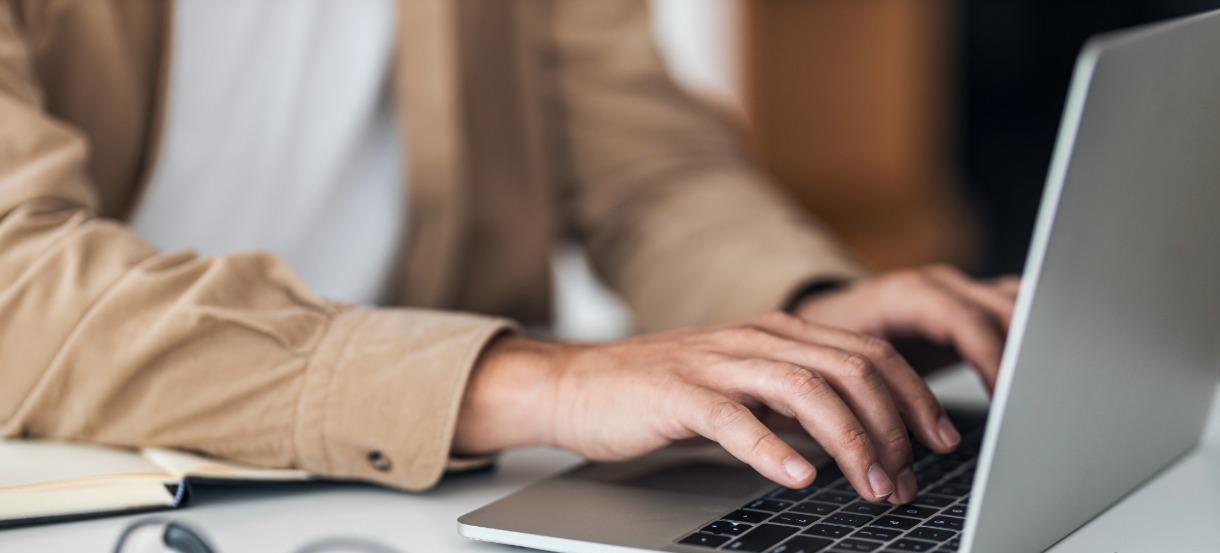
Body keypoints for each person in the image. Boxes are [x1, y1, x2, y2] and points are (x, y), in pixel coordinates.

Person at [0, 0, 1017, 507]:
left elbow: (641, 160)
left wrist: (800, 307)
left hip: (414, 495)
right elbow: (16, 275)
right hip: (88, 516)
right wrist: (537, 381)